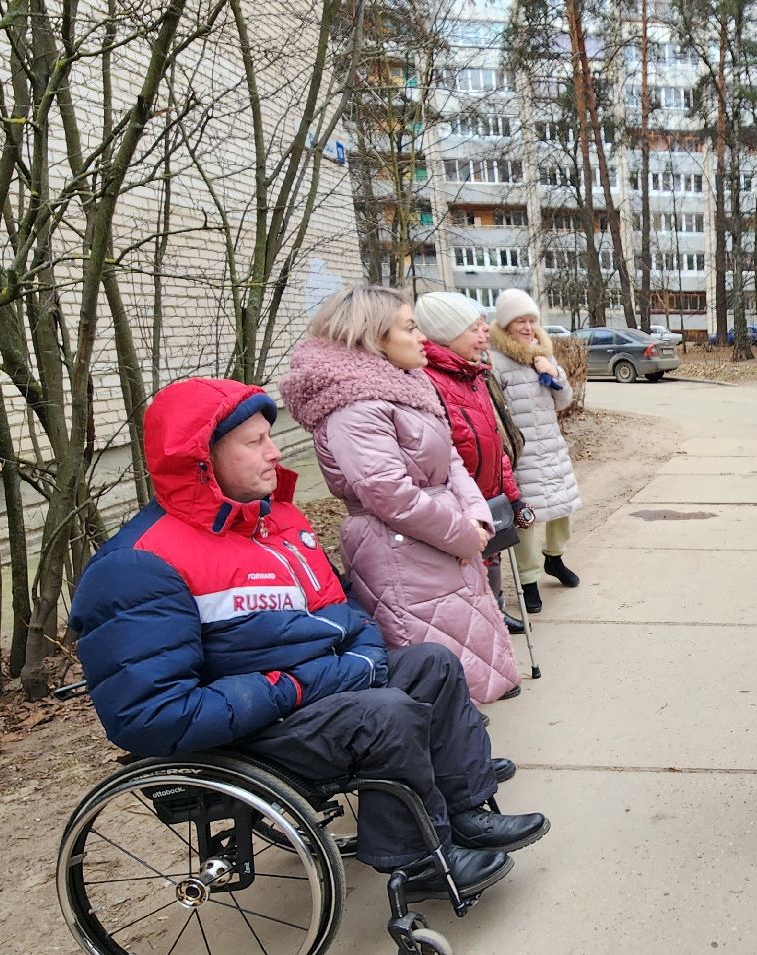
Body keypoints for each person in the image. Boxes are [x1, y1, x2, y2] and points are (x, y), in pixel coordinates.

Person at [68, 377, 548, 900]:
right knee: (385, 712)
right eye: (254, 443)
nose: (275, 452)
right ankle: (418, 862)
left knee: (431, 663)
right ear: (200, 460)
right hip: (245, 727)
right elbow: (152, 714)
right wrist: (302, 684)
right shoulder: (140, 564)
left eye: (269, 437)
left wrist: (362, 658)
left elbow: (342, 611)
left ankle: (464, 810)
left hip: (309, 691)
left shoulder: (278, 525)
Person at [278, 285, 522, 706]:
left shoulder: (407, 388)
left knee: (458, 656)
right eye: (410, 328)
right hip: (402, 552)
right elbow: (388, 494)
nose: (422, 338)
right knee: (430, 663)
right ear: (376, 338)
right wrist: (463, 533)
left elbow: (450, 459)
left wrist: (478, 517)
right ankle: (452, 762)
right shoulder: (354, 405)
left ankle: (464, 753)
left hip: (438, 541)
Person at [415, 291, 533, 635]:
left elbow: (495, 443)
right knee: (469, 570)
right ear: (446, 334)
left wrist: (511, 495)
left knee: (492, 559)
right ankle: (482, 623)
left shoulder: (475, 376)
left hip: (489, 492)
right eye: (473, 328)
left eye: (483, 325)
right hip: (460, 500)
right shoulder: (431, 382)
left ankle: (495, 609)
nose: (484, 334)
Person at [488, 288, 583, 614]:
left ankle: (554, 559)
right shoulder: (495, 360)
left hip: (551, 445)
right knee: (526, 519)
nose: (528, 327)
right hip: (521, 453)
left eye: (531, 320)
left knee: (561, 507)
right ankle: (528, 581)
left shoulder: (543, 352)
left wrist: (554, 373)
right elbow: (494, 411)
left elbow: (564, 401)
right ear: (505, 324)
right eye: (520, 321)